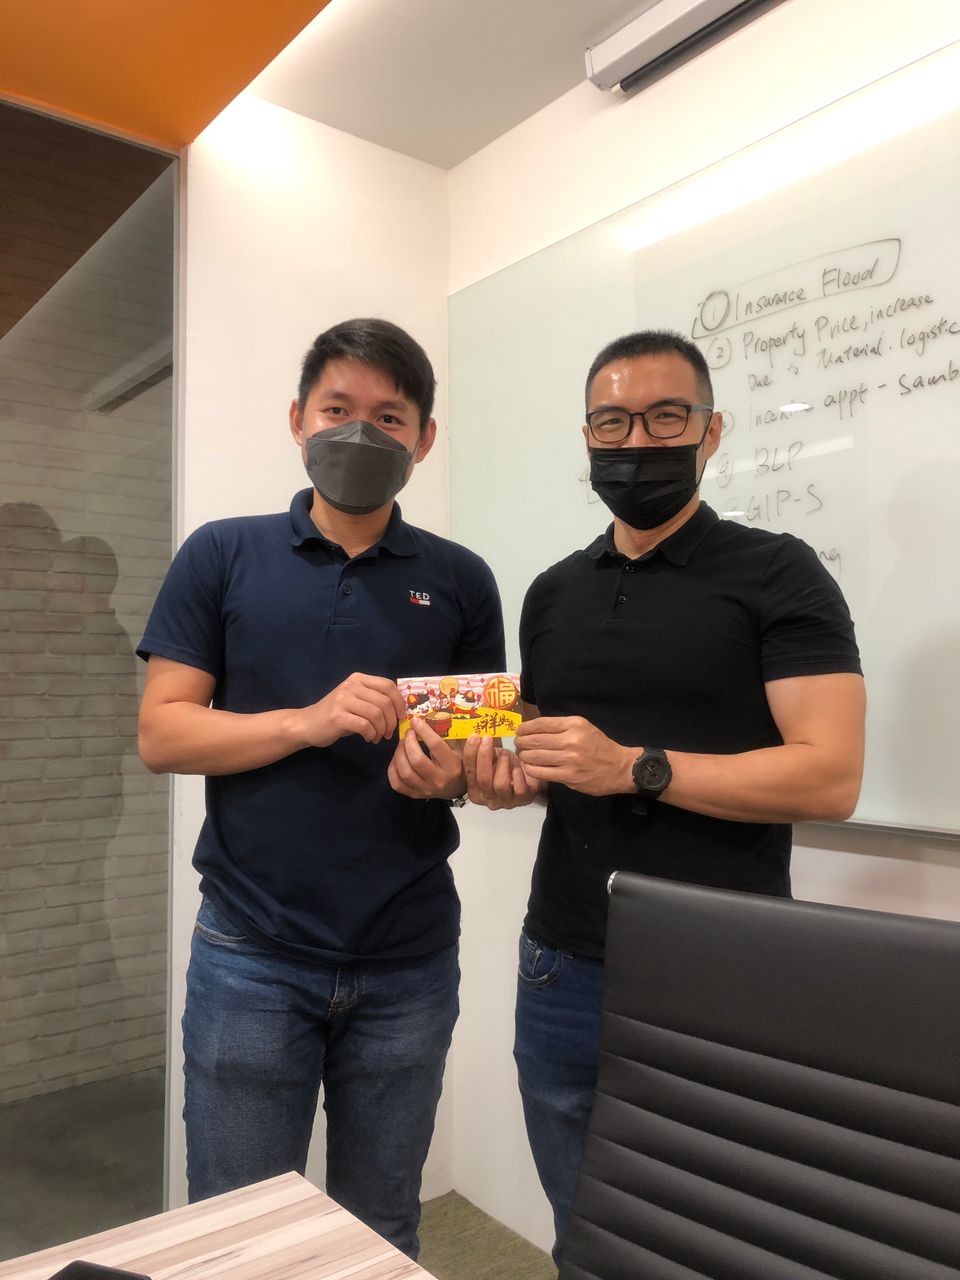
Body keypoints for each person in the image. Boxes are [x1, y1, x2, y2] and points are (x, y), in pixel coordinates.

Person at [463, 329, 865, 1259]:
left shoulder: (779, 572)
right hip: (561, 962)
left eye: (665, 418)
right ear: (587, 436)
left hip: (723, 965)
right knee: (584, 1240)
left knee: (714, 1237)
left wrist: (637, 767)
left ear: (711, 431)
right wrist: (497, 781)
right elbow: (553, 762)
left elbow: (831, 775)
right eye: (613, 422)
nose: (636, 441)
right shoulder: (552, 592)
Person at [137, 317, 505, 1259]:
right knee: (237, 1236)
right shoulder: (222, 553)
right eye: (338, 409)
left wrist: (451, 778)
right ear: (297, 418)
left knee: (381, 1230)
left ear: (424, 439)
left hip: (410, 958)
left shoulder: (462, 579)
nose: (360, 433)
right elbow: (163, 732)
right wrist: (307, 721)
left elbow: (480, 756)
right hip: (251, 952)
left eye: (390, 417)